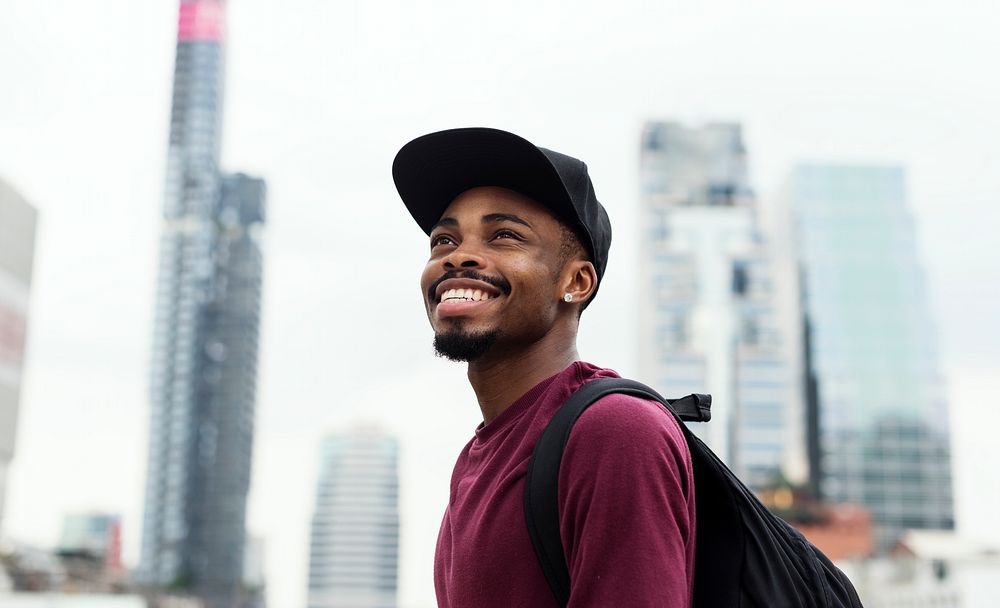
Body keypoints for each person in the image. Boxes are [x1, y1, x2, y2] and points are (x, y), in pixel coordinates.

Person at [393, 127, 696, 607]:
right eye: (444, 240)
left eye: (505, 235)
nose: (459, 256)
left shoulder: (615, 431)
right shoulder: (477, 459)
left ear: (576, 281)